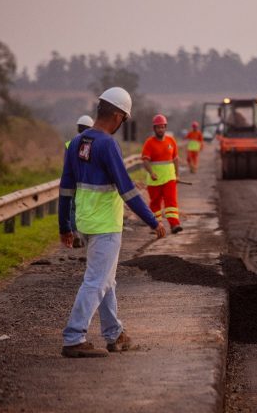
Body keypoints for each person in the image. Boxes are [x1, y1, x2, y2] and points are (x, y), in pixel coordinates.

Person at [59, 87, 166, 358]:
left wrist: (65, 225)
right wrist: (152, 221)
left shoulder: (77, 143)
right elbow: (127, 190)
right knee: (96, 281)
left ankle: (114, 334)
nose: (122, 124)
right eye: (124, 119)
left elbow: (65, 188)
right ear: (117, 116)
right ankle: (73, 337)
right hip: (106, 225)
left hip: (86, 221)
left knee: (107, 280)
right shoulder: (108, 144)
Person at [142, 114, 183, 234]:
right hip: (154, 179)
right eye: (158, 127)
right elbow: (145, 160)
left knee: (171, 201)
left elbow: (175, 159)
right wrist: (151, 172)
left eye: (162, 127)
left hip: (169, 178)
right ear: (154, 129)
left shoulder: (171, 141)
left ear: (165, 127)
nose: (160, 129)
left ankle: (174, 224)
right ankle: (157, 225)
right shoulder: (149, 143)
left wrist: (177, 175)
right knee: (155, 203)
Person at [65, 115, 94, 249]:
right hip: (88, 181)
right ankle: (86, 234)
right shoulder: (93, 144)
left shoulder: (70, 144)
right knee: (85, 207)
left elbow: (66, 164)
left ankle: (75, 233)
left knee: (72, 207)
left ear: (78, 128)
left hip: (73, 179)